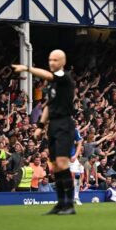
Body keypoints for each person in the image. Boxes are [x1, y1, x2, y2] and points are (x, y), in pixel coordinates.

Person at [12, 50, 77, 215]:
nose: (52, 62)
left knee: (62, 163)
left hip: (65, 123)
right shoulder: (51, 85)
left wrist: (27, 68)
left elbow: (49, 75)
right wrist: (40, 125)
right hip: (53, 125)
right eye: (50, 60)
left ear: (62, 61)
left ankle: (70, 204)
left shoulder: (65, 77)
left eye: (55, 60)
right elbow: (48, 106)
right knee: (55, 166)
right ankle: (61, 204)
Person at [69, 128, 84, 205]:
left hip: (72, 158)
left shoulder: (74, 130)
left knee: (77, 176)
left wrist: (75, 155)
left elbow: (80, 142)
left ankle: (76, 197)